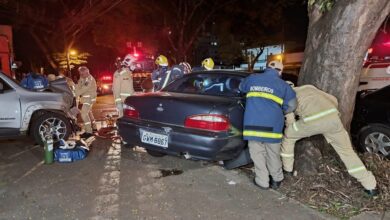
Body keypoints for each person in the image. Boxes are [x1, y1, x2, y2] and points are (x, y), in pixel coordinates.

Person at [281, 84, 379, 197]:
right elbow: (333, 99)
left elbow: (289, 119)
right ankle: (370, 186)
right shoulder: (309, 87)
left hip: (312, 121)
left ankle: (287, 170)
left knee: (288, 137)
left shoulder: (286, 95)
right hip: (333, 119)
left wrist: (291, 128)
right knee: (347, 153)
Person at [239, 60, 297, 190]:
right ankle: (277, 179)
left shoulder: (252, 79)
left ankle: (262, 181)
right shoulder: (283, 86)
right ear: (280, 71)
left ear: (266, 68)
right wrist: (281, 110)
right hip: (273, 127)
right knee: (273, 154)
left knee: (257, 154)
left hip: (252, 125)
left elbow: (240, 88)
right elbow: (292, 105)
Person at [75, 66, 97, 139]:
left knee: (84, 114)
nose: (81, 75)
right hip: (86, 99)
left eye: (82, 74)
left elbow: (83, 89)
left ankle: (89, 131)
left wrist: (75, 94)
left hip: (89, 99)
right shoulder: (82, 78)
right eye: (80, 73)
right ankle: (94, 128)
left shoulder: (89, 79)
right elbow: (78, 86)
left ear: (87, 72)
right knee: (89, 113)